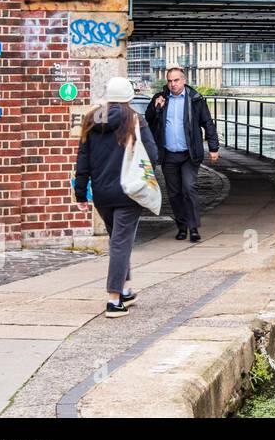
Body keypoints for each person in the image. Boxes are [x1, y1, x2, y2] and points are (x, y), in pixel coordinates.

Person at [74, 77, 160, 318]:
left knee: (118, 240)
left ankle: (124, 289)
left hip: (102, 194)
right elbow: (152, 153)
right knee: (121, 243)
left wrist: (81, 192)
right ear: (129, 97)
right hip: (128, 191)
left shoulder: (91, 119)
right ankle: (113, 300)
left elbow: (83, 160)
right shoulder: (134, 119)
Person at [145, 66, 220, 242]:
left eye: (176, 80)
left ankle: (193, 228)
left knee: (189, 188)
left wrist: (214, 147)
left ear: (184, 81)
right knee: (174, 193)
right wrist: (156, 109)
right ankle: (181, 226)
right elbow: (148, 119)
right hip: (168, 153)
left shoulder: (195, 99)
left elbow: (207, 122)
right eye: (170, 81)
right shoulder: (160, 98)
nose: (173, 84)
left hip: (189, 153)